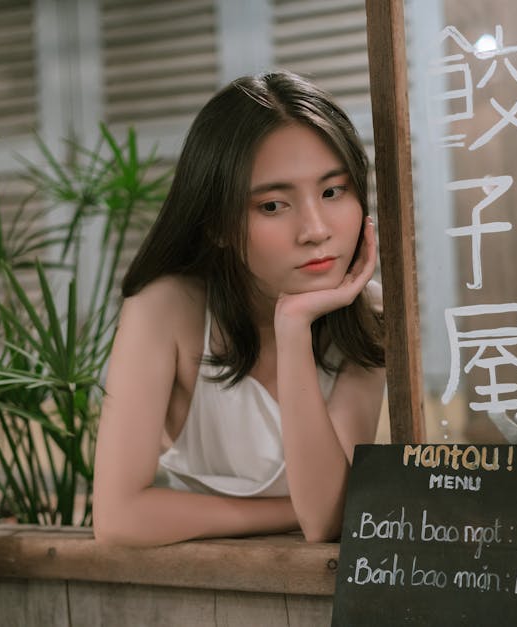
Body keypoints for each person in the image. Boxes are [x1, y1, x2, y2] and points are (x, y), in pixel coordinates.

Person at [92, 71, 386, 546]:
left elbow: (327, 520)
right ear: (218, 225)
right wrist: (290, 511)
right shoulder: (166, 308)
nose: (315, 229)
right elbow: (118, 518)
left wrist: (292, 328)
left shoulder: (365, 312)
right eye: (273, 205)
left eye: (332, 192)